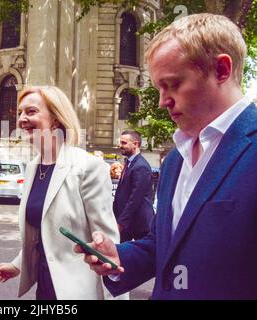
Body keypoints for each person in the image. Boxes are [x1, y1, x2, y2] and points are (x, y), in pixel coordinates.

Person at [76, 13, 257, 299]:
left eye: (172, 84)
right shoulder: (174, 159)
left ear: (221, 70)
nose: (162, 102)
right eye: (159, 88)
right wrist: (118, 256)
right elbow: (167, 245)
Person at [0, 85, 120, 300]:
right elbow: (44, 235)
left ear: (56, 119)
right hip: (45, 287)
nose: (21, 118)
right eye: (20, 112)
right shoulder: (33, 167)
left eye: (31, 111)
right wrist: (17, 265)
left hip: (79, 290)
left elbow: (108, 244)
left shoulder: (88, 167)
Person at [114, 130, 154, 242]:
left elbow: (135, 198)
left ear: (135, 144)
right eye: (120, 142)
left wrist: (121, 223)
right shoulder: (130, 163)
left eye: (124, 143)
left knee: (142, 257)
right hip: (128, 222)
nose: (120, 146)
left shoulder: (141, 166)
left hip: (139, 224)